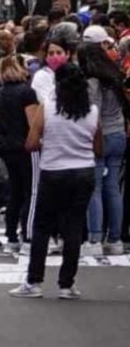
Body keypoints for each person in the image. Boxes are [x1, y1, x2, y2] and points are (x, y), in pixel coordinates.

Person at [10, 59, 102, 300]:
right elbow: (98, 148)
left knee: (42, 227)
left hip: (53, 171)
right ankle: (66, 284)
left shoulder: (48, 108)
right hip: (83, 172)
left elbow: (31, 143)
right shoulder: (92, 112)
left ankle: (34, 281)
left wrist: (49, 143)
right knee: (73, 227)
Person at [76, 40, 126, 256]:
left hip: (100, 136)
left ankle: (95, 238)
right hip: (118, 133)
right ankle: (115, 239)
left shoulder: (92, 82)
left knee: (94, 188)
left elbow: (93, 114)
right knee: (113, 188)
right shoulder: (115, 78)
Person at [0, 54, 36, 252]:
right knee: (31, 191)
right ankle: (27, 234)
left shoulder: (2, 91)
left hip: (7, 145)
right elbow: (33, 123)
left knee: (15, 191)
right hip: (25, 146)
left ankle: (11, 235)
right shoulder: (27, 93)